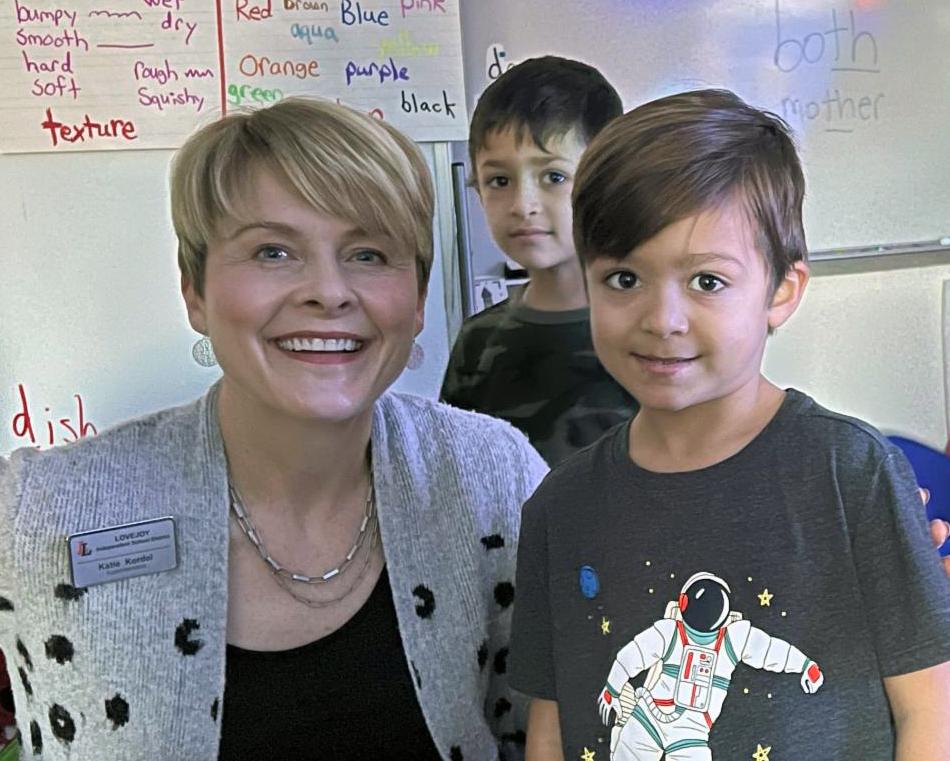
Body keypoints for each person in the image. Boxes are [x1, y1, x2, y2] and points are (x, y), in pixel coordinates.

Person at [0, 98, 548, 760]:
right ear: (195, 291)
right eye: (273, 251)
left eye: (369, 254)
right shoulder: (43, 510)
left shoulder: (492, 477)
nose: (329, 291)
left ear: (417, 299)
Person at [508, 89, 950, 761]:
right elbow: (551, 728)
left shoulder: (851, 472)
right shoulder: (557, 509)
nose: (662, 319)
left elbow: (931, 710)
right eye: (623, 279)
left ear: (781, 291)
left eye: (707, 282)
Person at [440, 56, 638, 466]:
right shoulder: (477, 341)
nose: (522, 204)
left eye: (553, 177)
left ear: (607, 181)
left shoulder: (648, 330)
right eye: (499, 180)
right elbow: (455, 474)